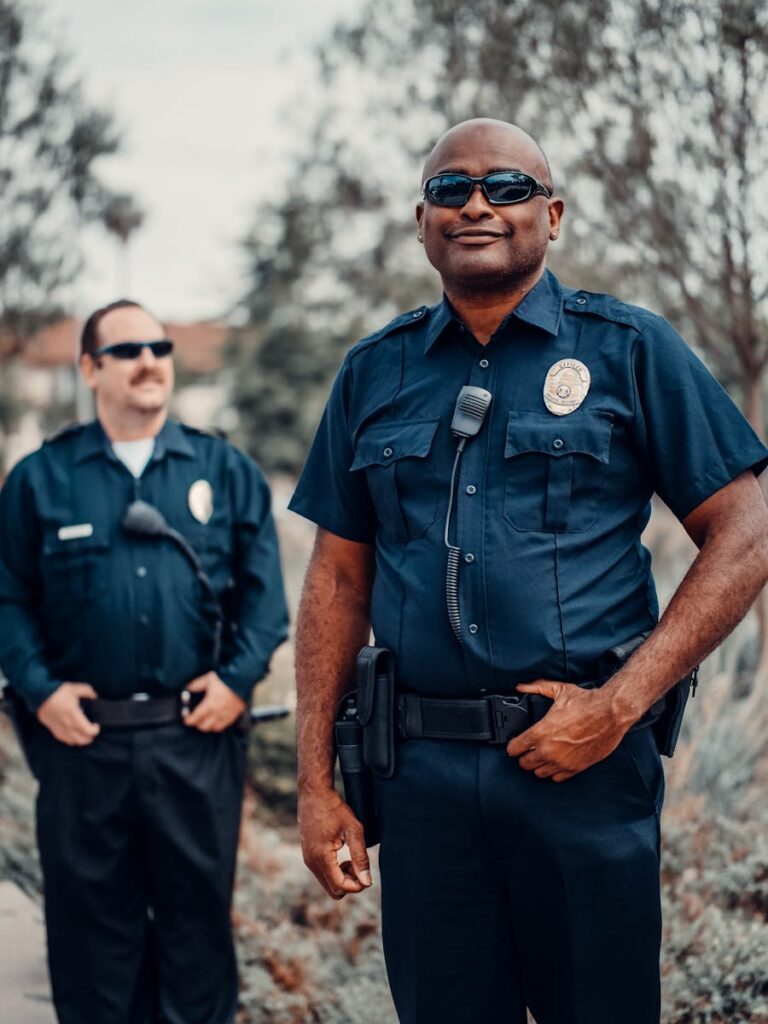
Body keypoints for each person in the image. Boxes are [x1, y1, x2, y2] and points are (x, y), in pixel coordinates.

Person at [288, 118, 768, 1024]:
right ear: (420, 222)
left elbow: (745, 531)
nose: (476, 204)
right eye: (450, 190)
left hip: (581, 770)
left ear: (551, 214)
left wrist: (620, 705)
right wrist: (315, 787)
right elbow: (337, 583)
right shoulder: (372, 372)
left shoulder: (629, 349)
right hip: (421, 782)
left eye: (506, 188)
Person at [0, 299, 289, 1024]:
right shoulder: (41, 479)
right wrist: (38, 690)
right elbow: (7, 599)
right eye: (127, 351)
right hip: (82, 749)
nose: (150, 360)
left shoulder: (226, 472)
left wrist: (235, 680)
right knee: (93, 948)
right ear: (90, 370)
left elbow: (265, 605)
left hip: (195, 744)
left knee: (196, 944)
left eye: (159, 347)